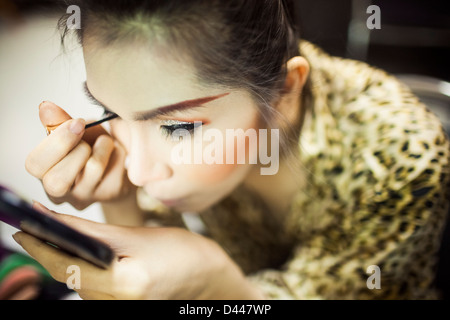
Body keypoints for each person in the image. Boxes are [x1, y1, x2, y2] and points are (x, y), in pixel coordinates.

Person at [16, 0, 449, 299]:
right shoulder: (161, 148)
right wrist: (120, 202)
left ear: (285, 91)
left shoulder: (400, 160)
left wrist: (221, 287)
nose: (138, 171)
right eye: (109, 111)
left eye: (179, 127)